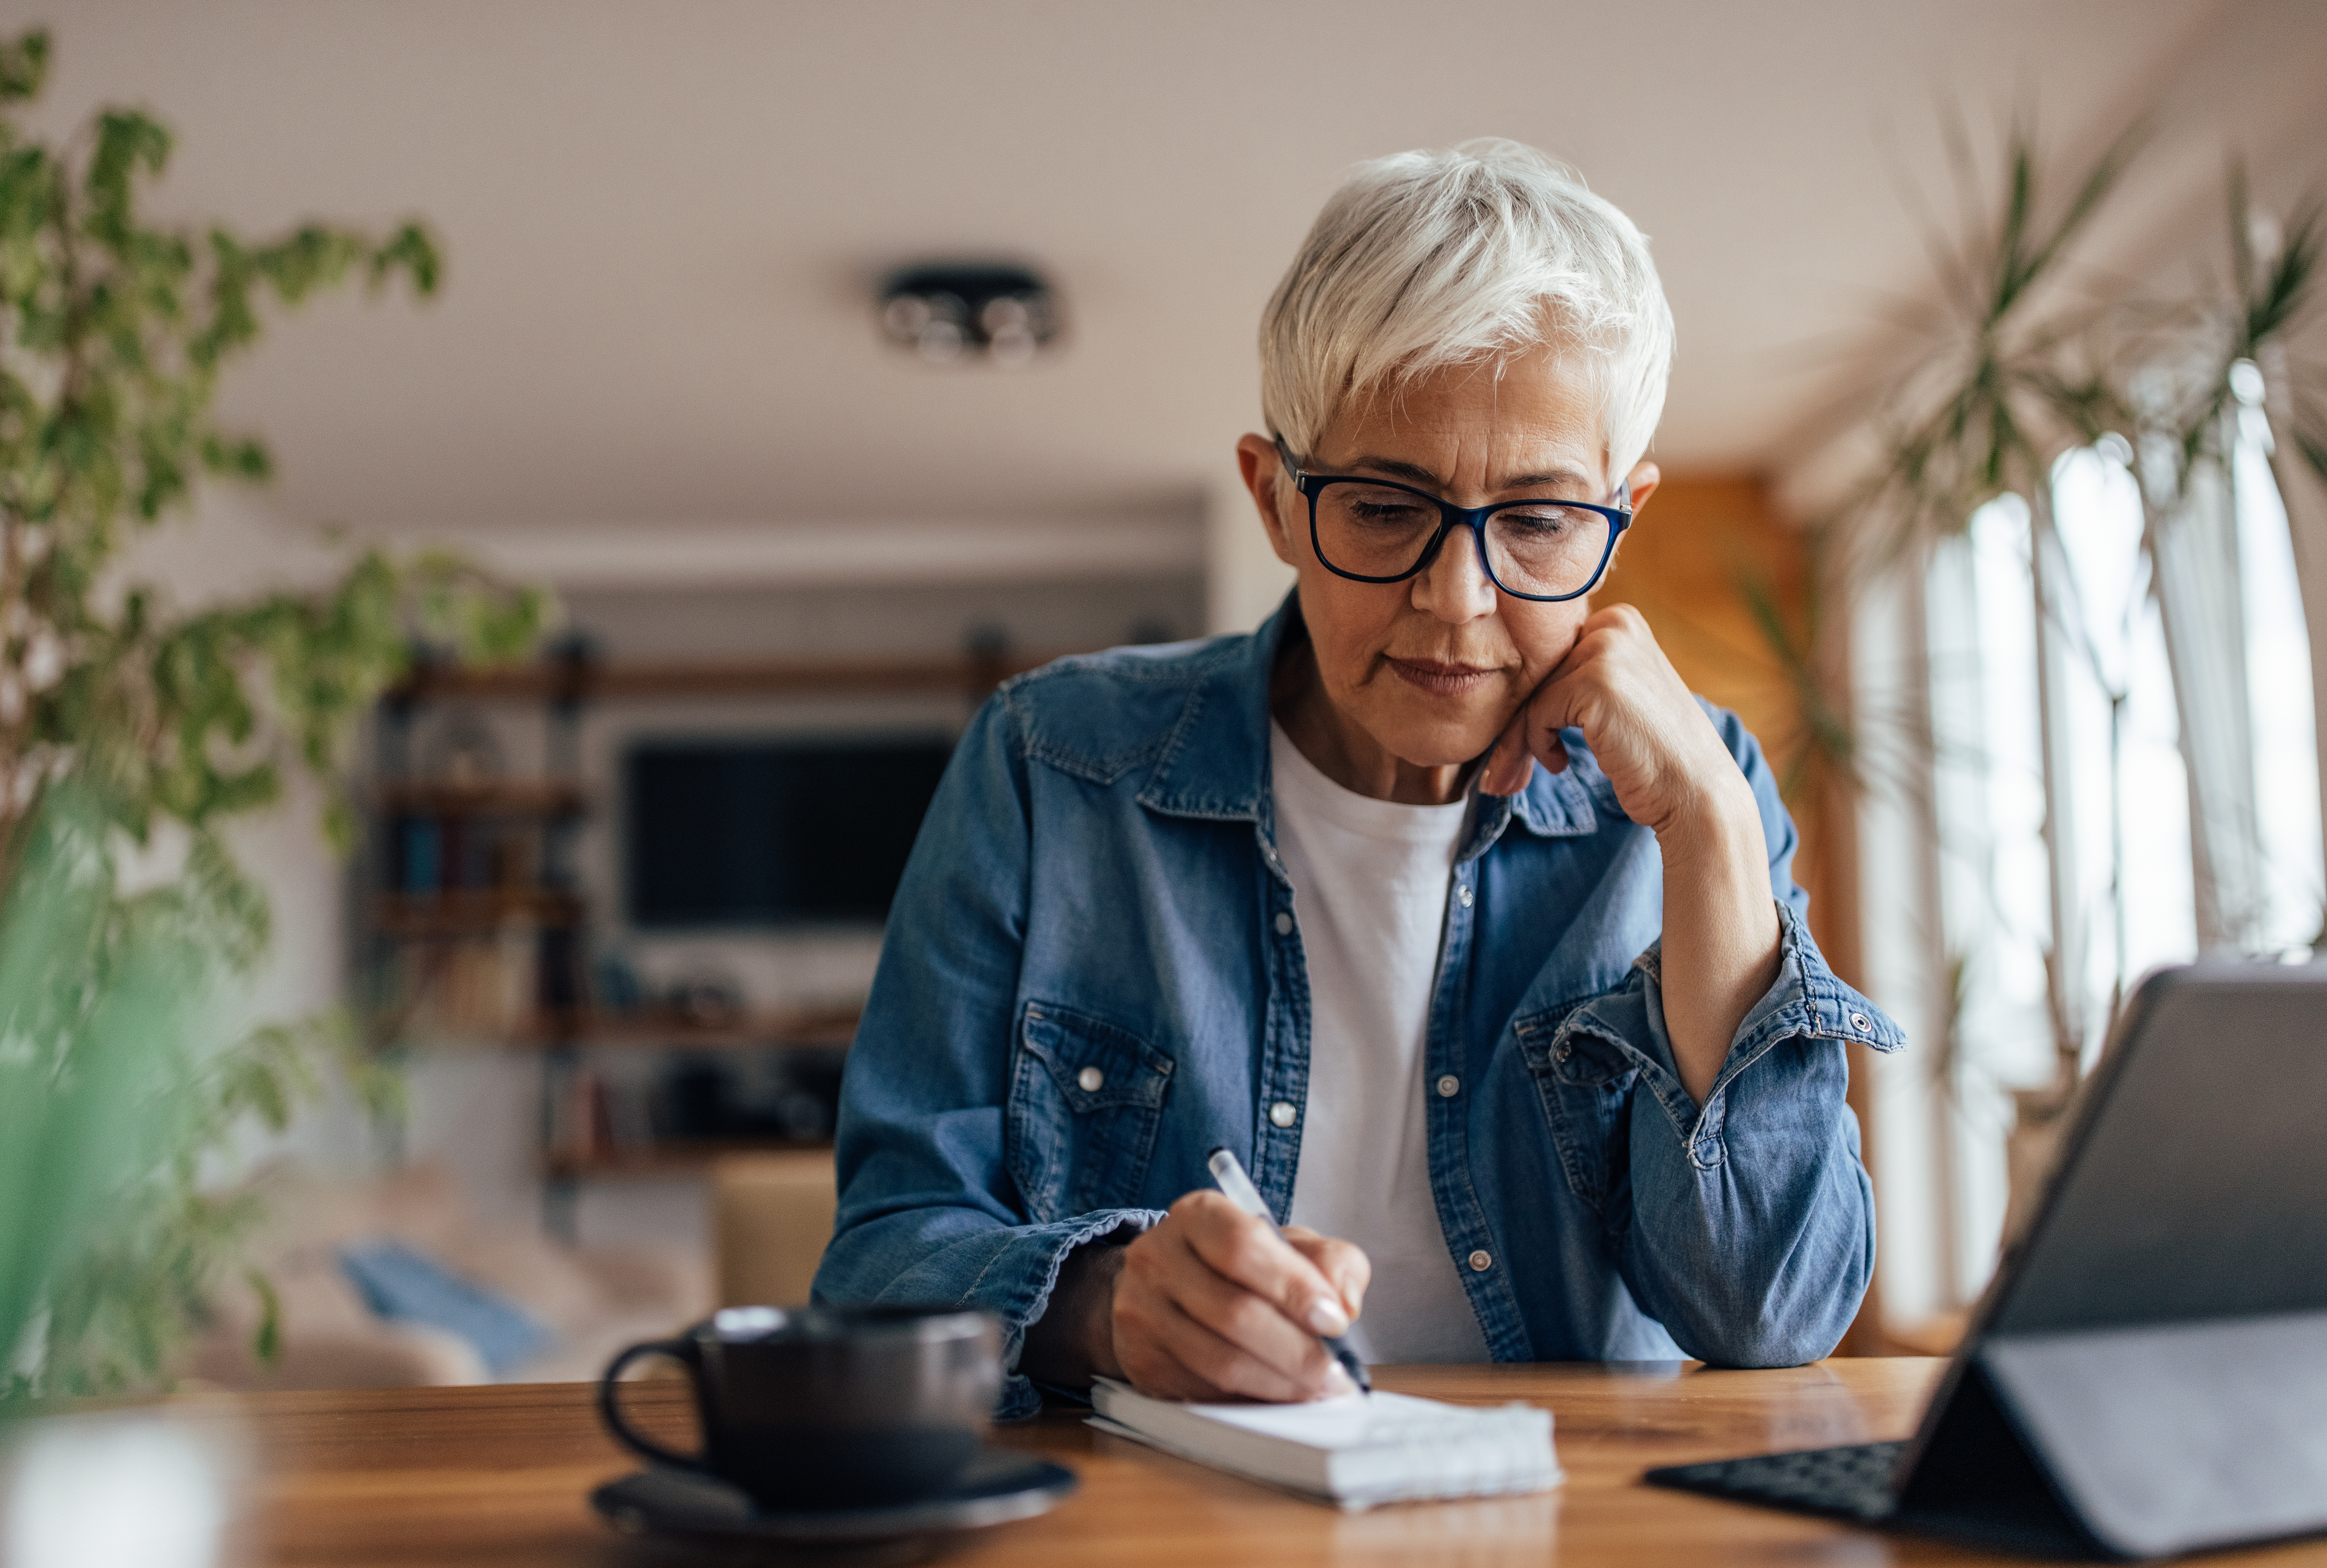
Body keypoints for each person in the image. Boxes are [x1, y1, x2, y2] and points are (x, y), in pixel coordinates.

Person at [814, 139, 1904, 1419]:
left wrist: (1712, 832)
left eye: (1538, 520)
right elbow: (879, 1263)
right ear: (1274, 500)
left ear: (1619, 519)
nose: (1456, 601)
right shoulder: (1052, 767)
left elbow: (1769, 1315)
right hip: (1161, 1554)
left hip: (1579, 1547)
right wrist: (1100, 1305)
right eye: (1385, 509)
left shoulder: (1694, 794)